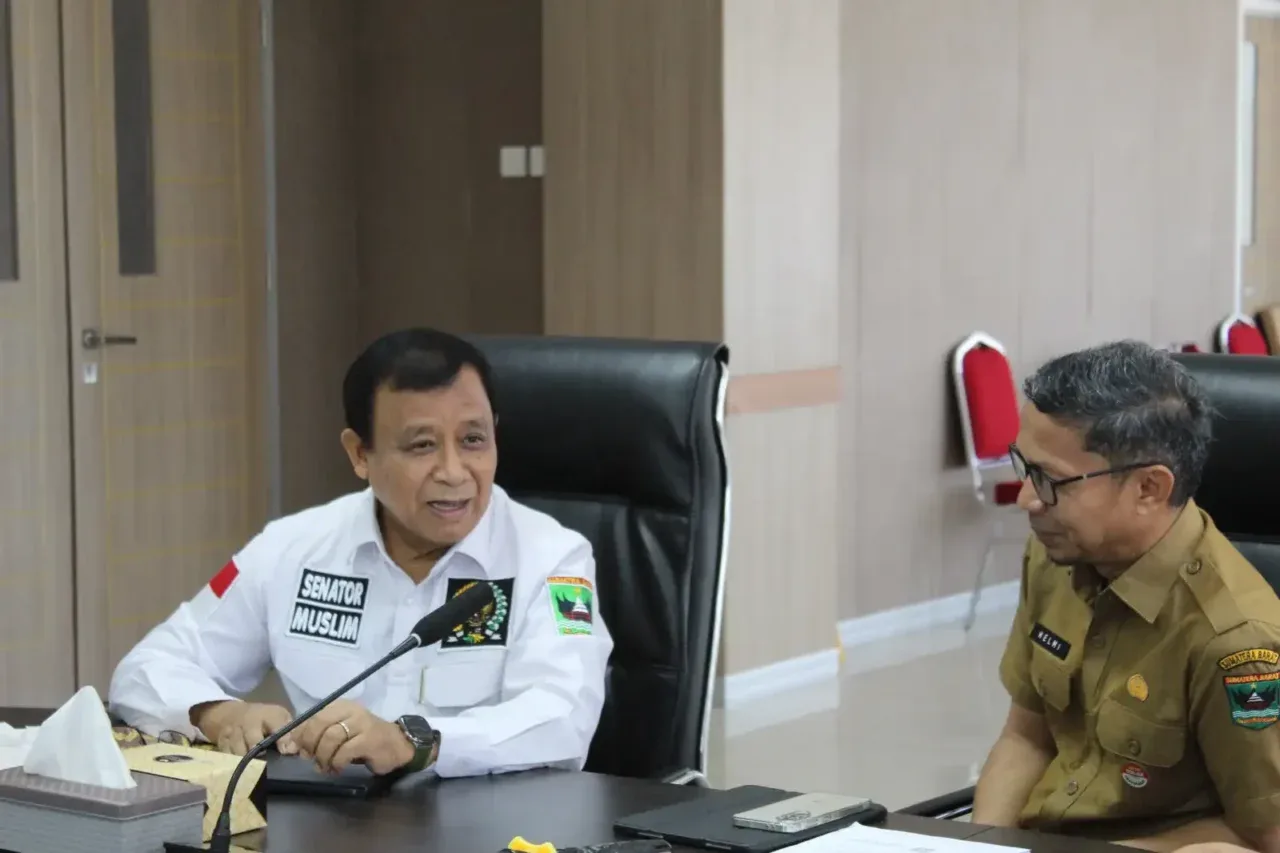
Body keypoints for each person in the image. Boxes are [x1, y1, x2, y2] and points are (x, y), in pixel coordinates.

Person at [108, 328, 614, 778]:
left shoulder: (553, 560)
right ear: (359, 454)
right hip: (328, 828)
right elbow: (147, 668)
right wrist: (217, 714)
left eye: (474, 440)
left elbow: (563, 718)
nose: (454, 471)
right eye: (422, 446)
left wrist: (414, 742)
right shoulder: (291, 549)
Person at [972, 340, 1280, 853]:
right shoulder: (1056, 555)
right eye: (1024, 466)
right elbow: (1027, 736)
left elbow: (1265, 833)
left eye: (1050, 480)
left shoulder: (1236, 640)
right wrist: (979, 845)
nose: (1027, 499)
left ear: (1148, 489)